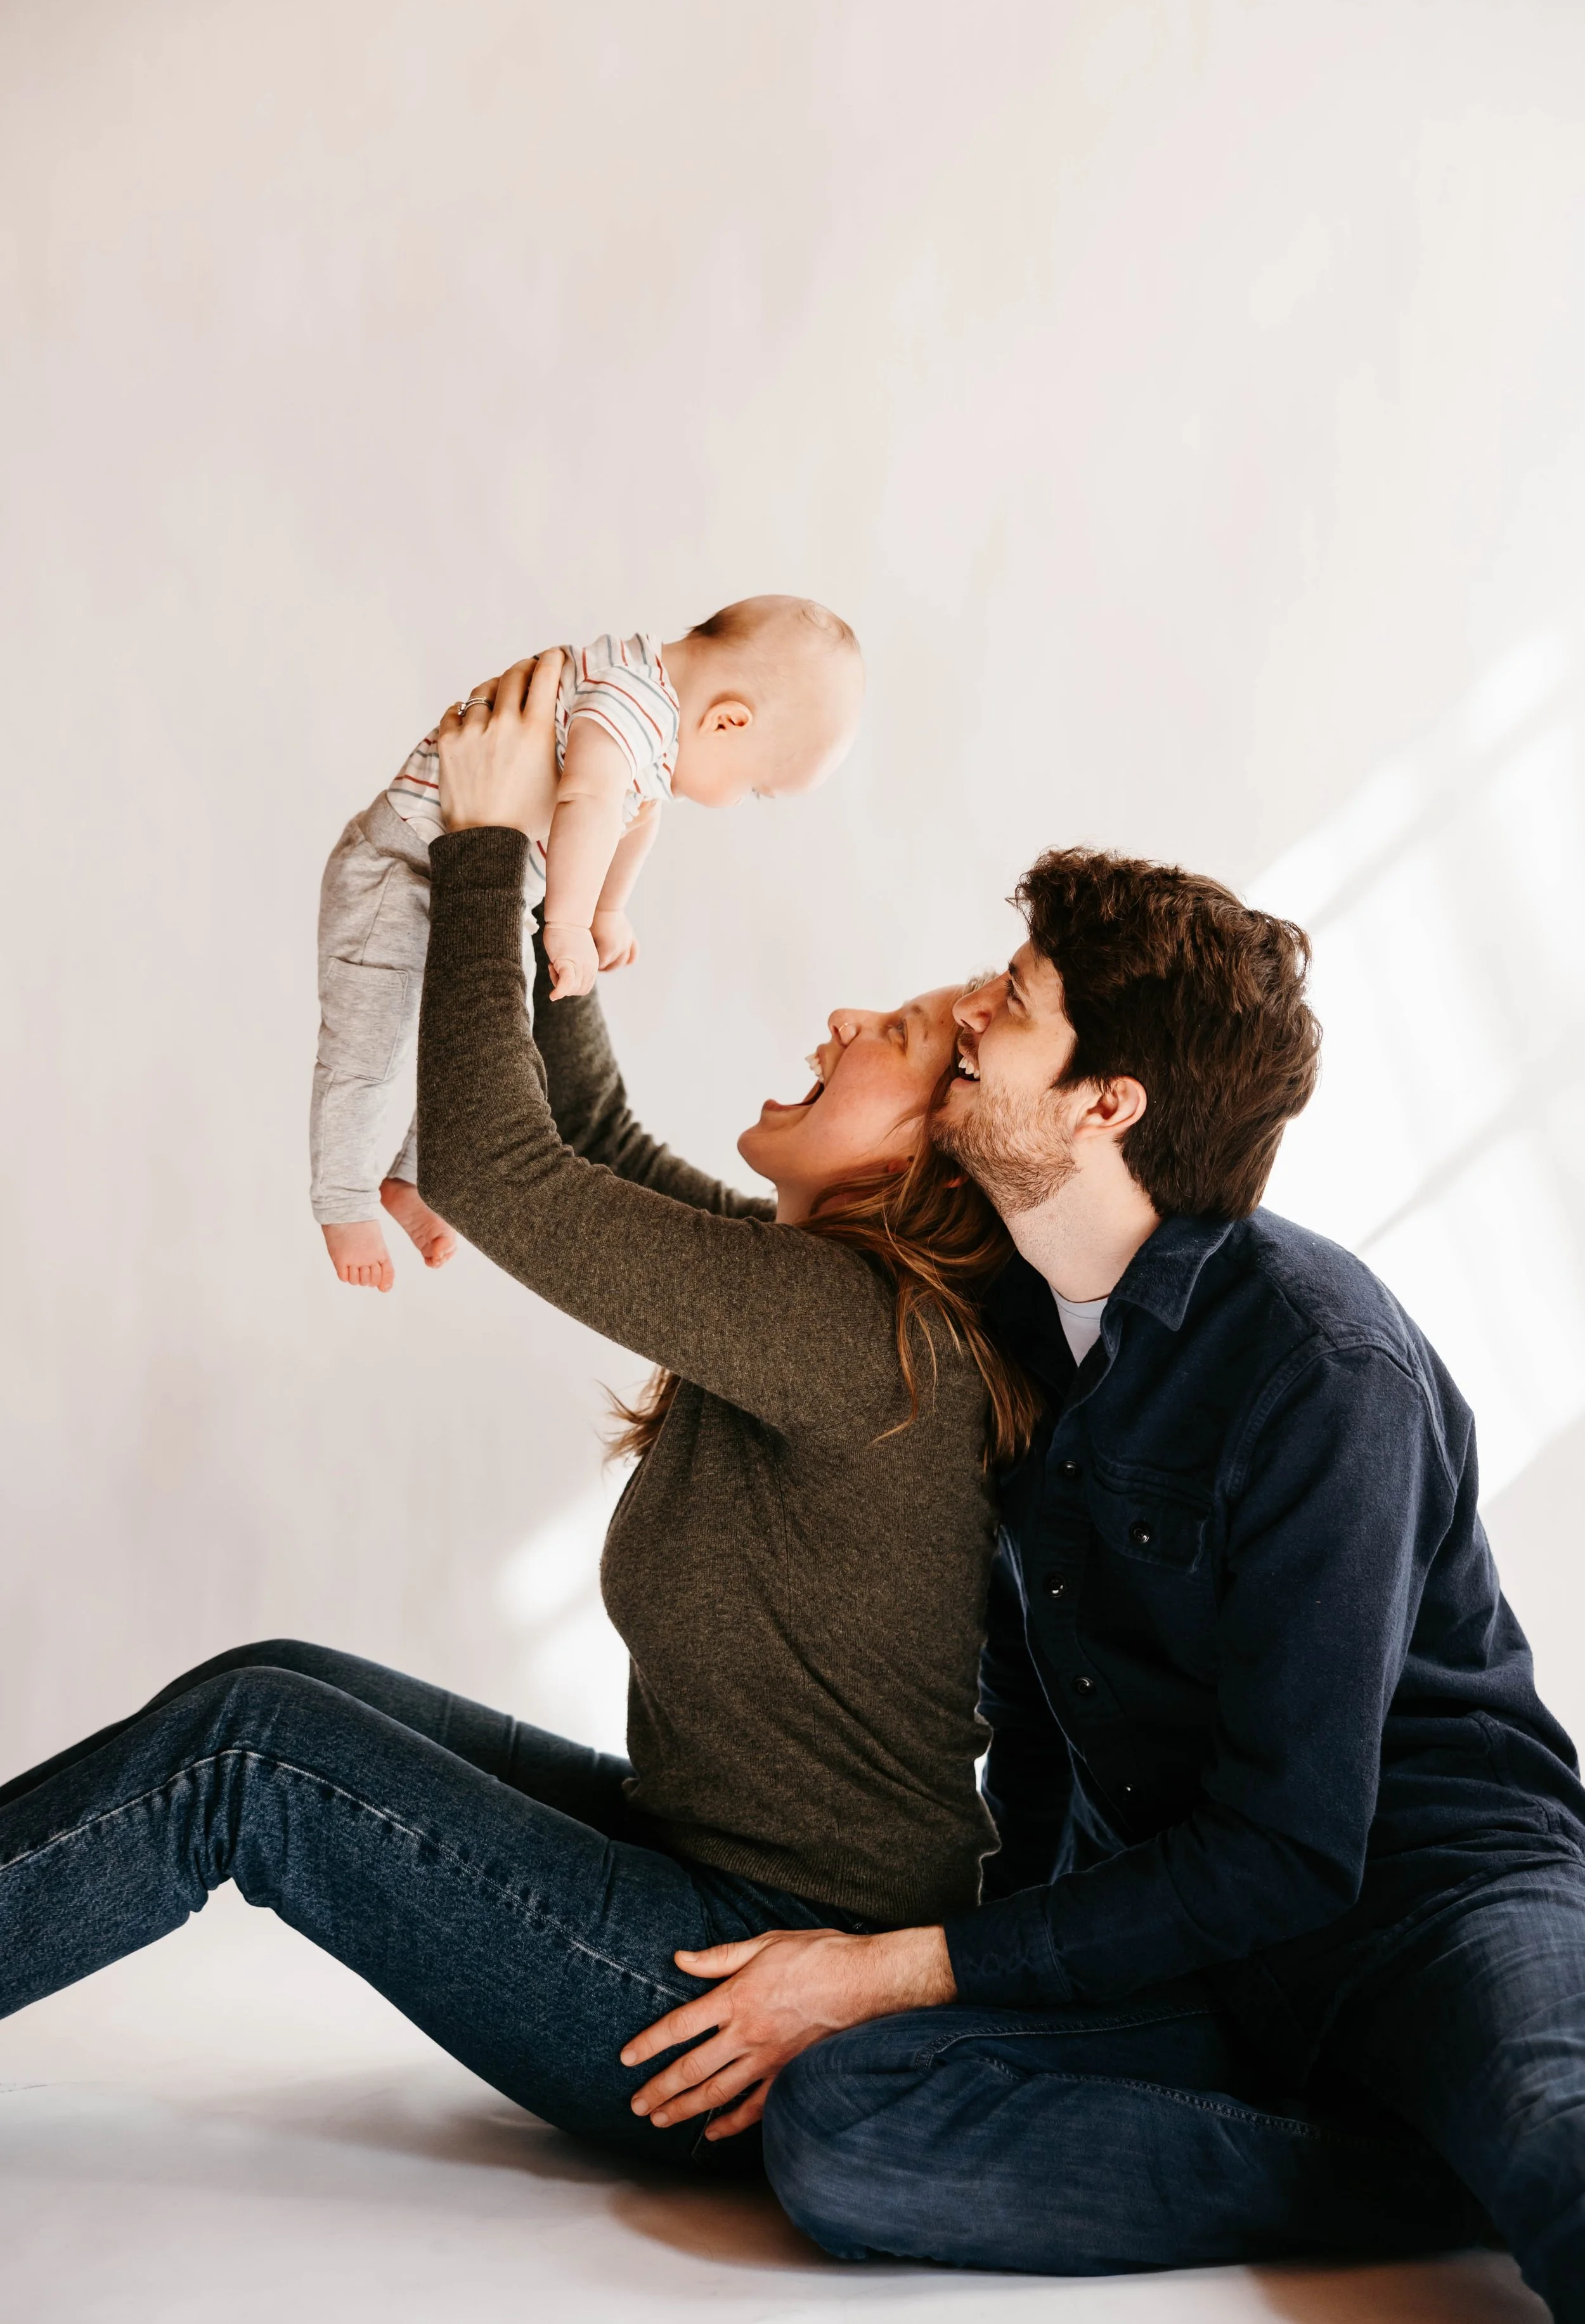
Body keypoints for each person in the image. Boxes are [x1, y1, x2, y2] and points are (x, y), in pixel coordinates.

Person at [0, 649, 1026, 2172]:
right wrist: (553, 855)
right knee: (273, 1675)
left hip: (736, 1995)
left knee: (254, 1749)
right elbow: (589, 1131)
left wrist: (485, 853)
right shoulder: (816, 1290)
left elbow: (500, 1169)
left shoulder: (863, 1337)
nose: (845, 1012)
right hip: (695, 1877)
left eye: (904, 1033)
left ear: (931, 1160)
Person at [635, 848, 1581, 2315]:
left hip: (1437, 1901)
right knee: (841, 2123)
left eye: (1010, 1005)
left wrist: (895, 1963)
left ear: (1104, 1103)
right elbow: (1029, 1701)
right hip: (1192, 1938)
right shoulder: (1004, 1317)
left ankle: (1471, 2137)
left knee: (1552, 2128)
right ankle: (1404, 2173)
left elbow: (1291, 1847)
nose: (963, 1026)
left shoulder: (1321, 1362)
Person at [312, 596, 863, 1289]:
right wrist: (567, 927)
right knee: (366, 1050)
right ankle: (342, 1202)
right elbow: (590, 803)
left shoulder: (649, 714)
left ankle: (418, 1180)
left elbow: (636, 818)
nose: (736, 799)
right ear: (729, 719)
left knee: (480, 1045)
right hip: (402, 869)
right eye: (753, 788)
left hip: (465, 874)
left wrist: (609, 910)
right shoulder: (629, 705)